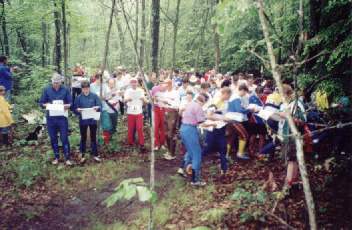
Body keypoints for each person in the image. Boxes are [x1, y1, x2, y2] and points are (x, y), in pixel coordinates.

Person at [277, 84, 306, 189]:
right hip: (286, 135)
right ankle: (293, 181)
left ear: (287, 94)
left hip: (293, 136)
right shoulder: (286, 103)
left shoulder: (297, 104)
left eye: (281, 94)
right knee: (291, 159)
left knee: (291, 159)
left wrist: (287, 116)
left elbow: (302, 121)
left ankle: (288, 185)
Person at [39, 73, 72, 165]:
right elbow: (41, 103)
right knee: (53, 138)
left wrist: (67, 106)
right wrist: (46, 105)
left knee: (64, 138)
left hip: (62, 118)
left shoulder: (65, 89)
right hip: (51, 118)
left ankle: (67, 158)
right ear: (52, 82)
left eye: (58, 83)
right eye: (54, 83)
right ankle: (56, 157)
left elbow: (70, 102)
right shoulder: (46, 89)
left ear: (61, 82)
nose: (56, 85)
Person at [180, 93, 208, 186]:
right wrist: (213, 123)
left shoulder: (190, 104)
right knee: (197, 153)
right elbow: (201, 121)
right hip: (190, 130)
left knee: (190, 151)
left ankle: (185, 170)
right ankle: (195, 180)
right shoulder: (198, 107)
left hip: (183, 128)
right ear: (202, 102)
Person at [74, 81, 102, 163]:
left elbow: (100, 105)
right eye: (84, 88)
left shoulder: (94, 96)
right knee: (83, 137)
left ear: (89, 88)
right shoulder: (78, 97)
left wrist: (97, 108)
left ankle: (95, 154)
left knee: (93, 137)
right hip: (83, 120)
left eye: (87, 88)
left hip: (92, 120)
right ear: (82, 89)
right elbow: (75, 108)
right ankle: (82, 154)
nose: (86, 90)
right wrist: (77, 110)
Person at [227, 84, 252, 160]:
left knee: (231, 138)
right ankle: (240, 153)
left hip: (230, 119)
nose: (244, 95)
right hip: (234, 120)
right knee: (244, 135)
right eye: (244, 93)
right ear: (242, 90)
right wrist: (249, 110)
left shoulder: (234, 97)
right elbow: (239, 110)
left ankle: (226, 154)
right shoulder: (237, 98)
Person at [159, 79, 180, 160]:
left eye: (166, 84)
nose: (165, 86)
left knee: (171, 133)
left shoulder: (176, 93)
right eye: (164, 84)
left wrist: (168, 102)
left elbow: (176, 104)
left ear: (170, 84)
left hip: (173, 113)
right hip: (166, 112)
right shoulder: (166, 93)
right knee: (166, 133)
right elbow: (163, 103)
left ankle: (172, 153)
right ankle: (169, 150)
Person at [124, 78, 147, 151]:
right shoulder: (128, 91)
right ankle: (130, 142)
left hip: (139, 112)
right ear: (130, 84)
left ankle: (142, 144)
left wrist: (143, 99)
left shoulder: (140, 90)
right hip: (130, 112)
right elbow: (124, 100)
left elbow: (145, 101)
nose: (134, 84)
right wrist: (128, 99)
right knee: (130, 128)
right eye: (132, 83)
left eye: (135, 82)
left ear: (137, 83)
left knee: (139, 128)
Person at [151, 82, 167, 151]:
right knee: (156, 127)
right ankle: (156, 144)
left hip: (163, 109)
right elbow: (151, 98)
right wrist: (154, 98)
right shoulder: (154, 89)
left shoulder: (166, 91)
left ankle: (162, 143)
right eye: (163, 88)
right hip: (156, 109)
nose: (164, 89)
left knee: (163, 127)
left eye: (165, 88)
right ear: (160, 85)